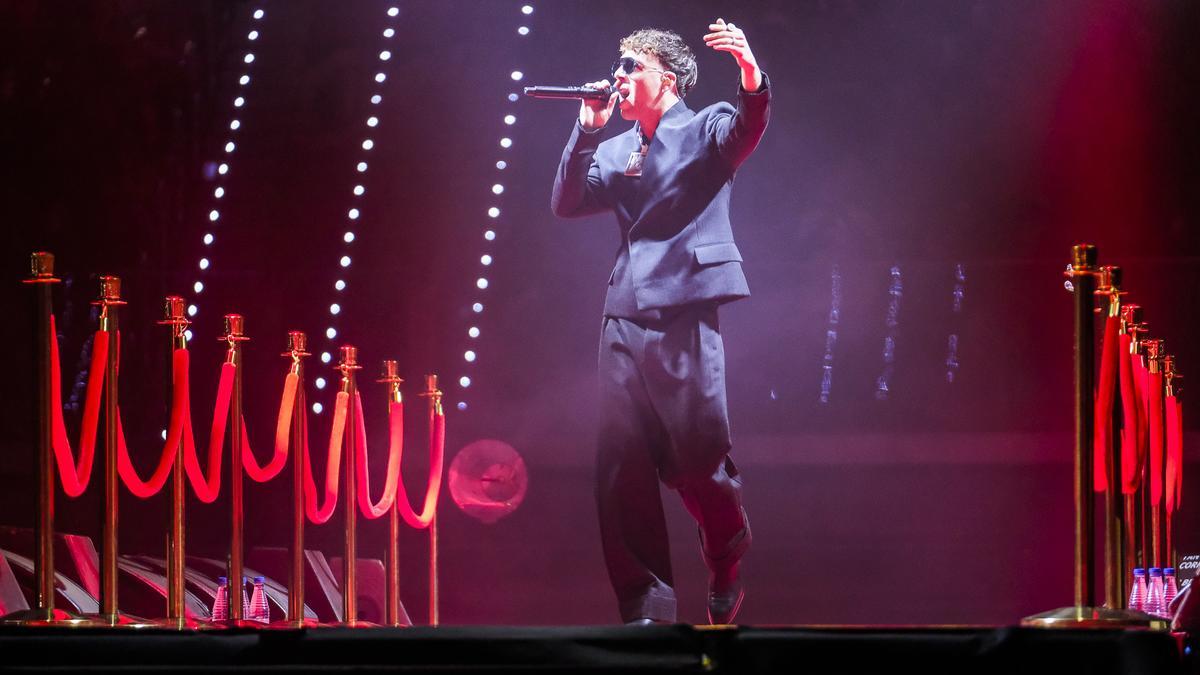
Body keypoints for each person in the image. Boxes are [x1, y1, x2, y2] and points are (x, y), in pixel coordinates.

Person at [550, 19, 770, 625]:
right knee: (621, 463)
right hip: (624, 312)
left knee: (699, 456)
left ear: (665, 79)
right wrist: (586, 130)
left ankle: (726, 547)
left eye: (631, 69)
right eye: (616, 69)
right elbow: (568, 202)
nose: (617, 79)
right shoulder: (617, 149)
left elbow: (748, 126)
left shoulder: (704, 127)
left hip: (684, 304)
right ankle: (646, 606)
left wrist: (750, 71)